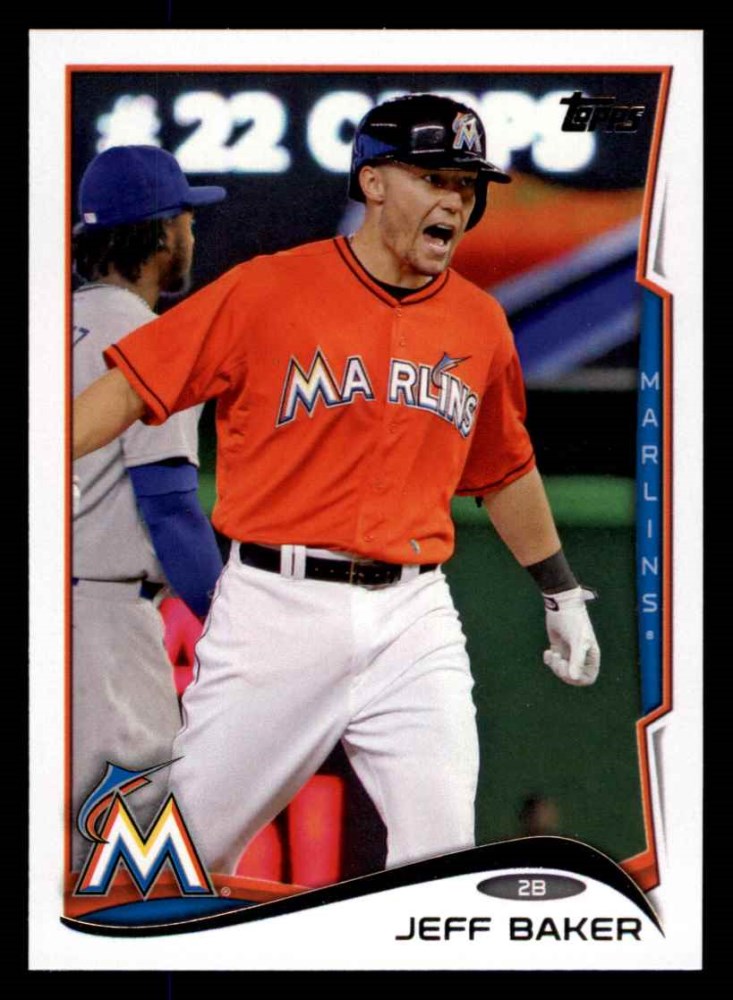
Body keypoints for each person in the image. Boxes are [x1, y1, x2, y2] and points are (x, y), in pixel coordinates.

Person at [72, 95, 600, 876]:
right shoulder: (267, 289)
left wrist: (559, 592)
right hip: (276, 607)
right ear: (373, 182)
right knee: (182, 858)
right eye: (433, 178)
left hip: (414, 616)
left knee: (441, 852)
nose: (455, 199)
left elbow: (504, 468)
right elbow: (131, 386)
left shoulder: (479, 322)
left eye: (466, 184)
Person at [71, 145, 226, 870]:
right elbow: (169, 510)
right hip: (100, 627)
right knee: (130, 852)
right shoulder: (150, 340)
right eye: (187, 218)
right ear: (163, 233)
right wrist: (236, 628)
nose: (192, 233)